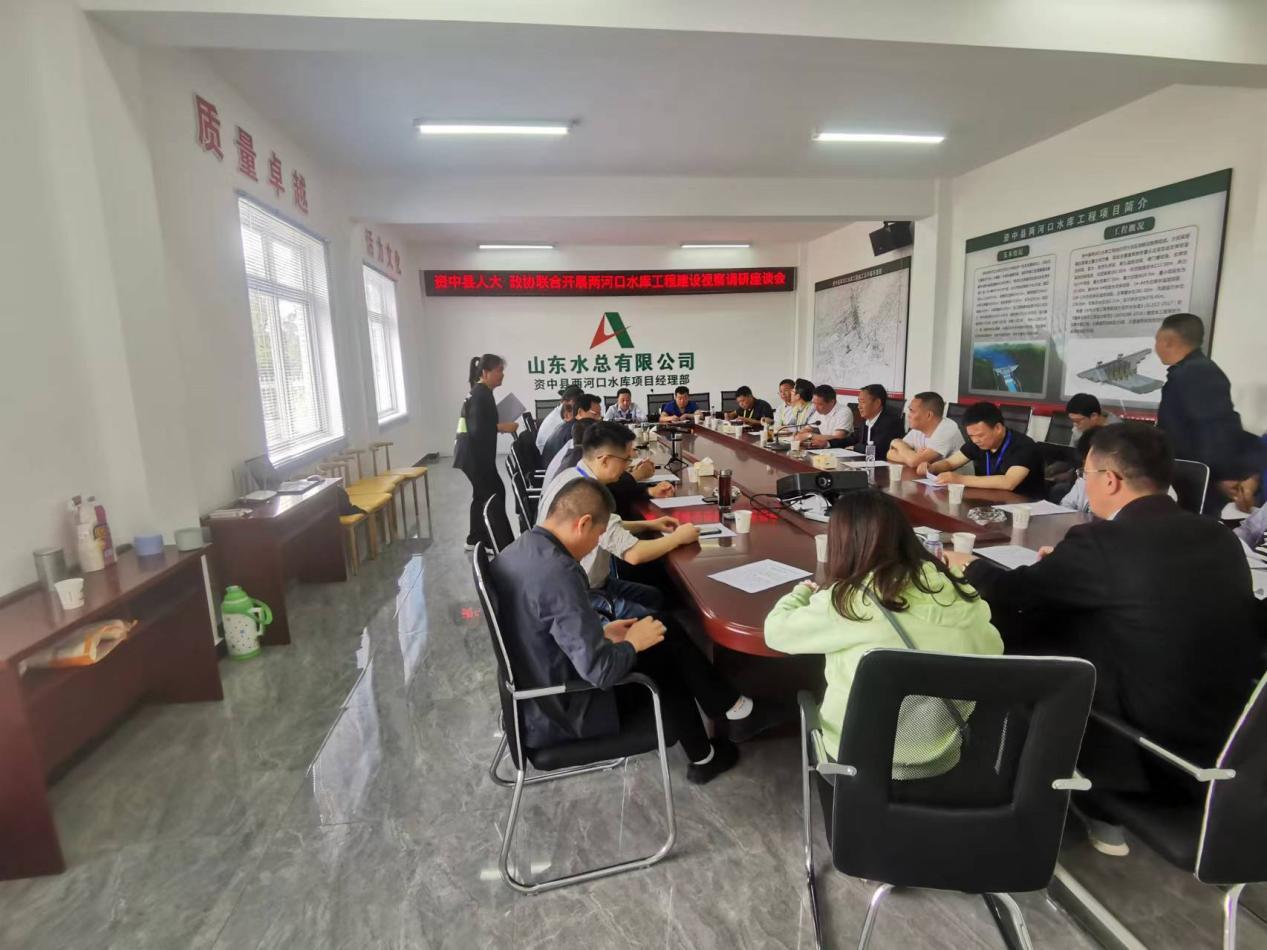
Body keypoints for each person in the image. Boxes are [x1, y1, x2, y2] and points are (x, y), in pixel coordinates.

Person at [946, 423, 1261, 855]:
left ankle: (1018, 800)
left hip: (1148, 756)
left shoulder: (1102, 542)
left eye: (1086, 474)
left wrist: (968, 565)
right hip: (1227, 748)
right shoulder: (1218, 537)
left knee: (1015, 630)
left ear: (1109, 480)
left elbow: (1014, 592)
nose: (1084, 482)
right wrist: (1066, 568)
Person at [491, 478, 787, 783]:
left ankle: (717, 735)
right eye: (598, 536)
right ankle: (728, 720)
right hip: (569, 710)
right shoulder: (560, 573)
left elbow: (547, 627)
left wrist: (603, 634)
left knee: (661, 630)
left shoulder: (523, 549)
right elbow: (601, 672)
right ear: (583, 523)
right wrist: (631, 644)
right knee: (662, 652)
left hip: (540, 692)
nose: (596, 545)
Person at [765, 490, 1002, 775]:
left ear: (842, 545)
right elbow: (993, 652)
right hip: (942, 758)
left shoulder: (847, 601)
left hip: (854, 763)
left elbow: (775, 632)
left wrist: (801, 592)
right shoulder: (958, 591)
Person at [537, 422, 701, 620]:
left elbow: (602, 527)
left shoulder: (571, 475)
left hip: (586, 581)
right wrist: (679, 538)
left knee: (655, 596)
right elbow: (634, 554)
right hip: (579, 596)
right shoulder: (588, 496)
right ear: (605, 460)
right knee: (659, 620)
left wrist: (649, 524)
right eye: (626, 460)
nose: (628, 467)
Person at [1155, 312, 1264, 514]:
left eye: (1157, 340)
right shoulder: (1190, 370)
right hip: (1191, 476)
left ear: (1168, 341)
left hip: (1202, 481)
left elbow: (1215, 428)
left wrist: (1220, 476)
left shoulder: (1197, 373)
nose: (1156, 347)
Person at [454, 354, 518, 551]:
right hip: (474, 457)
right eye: (499, 370)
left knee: (482, 495)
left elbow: (481, 423)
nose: (502, 374)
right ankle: (493, 542)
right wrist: (503, 427)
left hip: (474, 455)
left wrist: (497, 425)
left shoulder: (481, 392)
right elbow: (477, 429)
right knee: (493, 495)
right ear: (485, 372)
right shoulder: (481, 395)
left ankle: (475, 539)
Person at [919, 401, 1045, 497]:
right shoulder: (978, 443)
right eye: (971, 436)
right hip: (989, 501)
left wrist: (959, 479)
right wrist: (932, 467)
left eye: (980, 435)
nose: (975, 440)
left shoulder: (1024, 446)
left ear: (998, 428)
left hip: (1023, 506)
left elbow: (1008, 482)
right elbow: (950, 463)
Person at [887, 391, 965, 469]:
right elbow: (890, 454)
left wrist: (897, 443)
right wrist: (913, 455)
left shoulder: (947, 429)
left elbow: (913, 462)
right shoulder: (919, 427)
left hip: (956, 476)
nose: (908, 415)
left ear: (928, 415)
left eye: (912, 411)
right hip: (925, 474)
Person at [542, 393, 602, 468]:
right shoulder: (576, 432)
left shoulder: (567, 426)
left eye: (600, 415)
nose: (599, 418)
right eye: (595, 414)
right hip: (560, 473)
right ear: (580, 412)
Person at [840, 384, 903, 455]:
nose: (859, 406)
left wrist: (855, 447)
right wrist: (830, 443)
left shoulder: (891, 423)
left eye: (863, 402)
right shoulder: (867, 420)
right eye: (859, 402)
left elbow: (877, 450)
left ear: (877, 403)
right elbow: (853, 439)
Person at [535, 384, 583, 452]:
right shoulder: (566, 415)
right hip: (551, 453)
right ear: (564, 401)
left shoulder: (560, 411)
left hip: (551, 451)